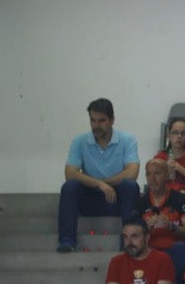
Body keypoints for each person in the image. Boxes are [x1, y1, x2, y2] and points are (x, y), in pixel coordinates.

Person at [57, 98, 140, 253]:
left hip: (116, 198)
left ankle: (128, 243)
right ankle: (67, 241)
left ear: (112, 120)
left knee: (130, 186)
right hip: (90, 197)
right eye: (93, 120)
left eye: (102, 121)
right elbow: (70, 173)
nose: (96, 125)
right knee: (70, 187)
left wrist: (105, 183)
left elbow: (132, 173)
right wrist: (98, 184)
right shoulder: (79, 141)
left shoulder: (127, 139)